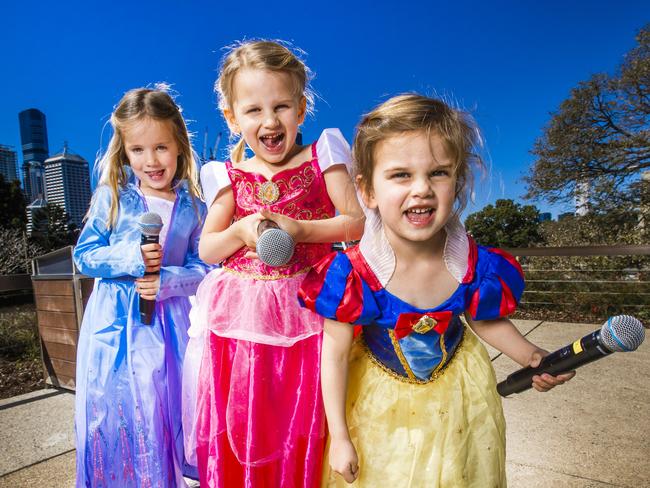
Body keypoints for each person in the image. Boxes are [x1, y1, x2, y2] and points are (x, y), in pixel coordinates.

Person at [299, 94, 575, 487]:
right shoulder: (353, 273)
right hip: (380, 409)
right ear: (368, 191)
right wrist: (340, 436)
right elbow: (336, 357)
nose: (422, 189)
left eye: (439, 173)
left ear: (457, 181)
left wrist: (532, 356)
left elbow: (486, 320)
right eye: (400, 175)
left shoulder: (471, 263)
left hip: (460, 398)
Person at [183, 40, 365, 487]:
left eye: (281, 106)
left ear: (302, 109)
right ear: (231, 117)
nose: (269, 121)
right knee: (247, 411)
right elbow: (208, 250)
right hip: (241, 317)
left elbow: (357, 223)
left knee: (300, 410)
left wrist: (304, 230)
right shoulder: (226, 174)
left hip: (308, 307)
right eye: (253, 110)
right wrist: (242, 233)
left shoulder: (324, 157)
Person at [73, 87, 209, 487]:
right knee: (122, 415)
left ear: (180, 145)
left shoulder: (194, 206)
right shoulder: (112, 197)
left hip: (170, 326)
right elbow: (85, 255)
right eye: (138, 150)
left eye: (161, 147)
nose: (151, 161)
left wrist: (168, 280)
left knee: (164, 411)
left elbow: (203, 265)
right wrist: (132, 258)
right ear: (125, 152)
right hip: (116, 327)